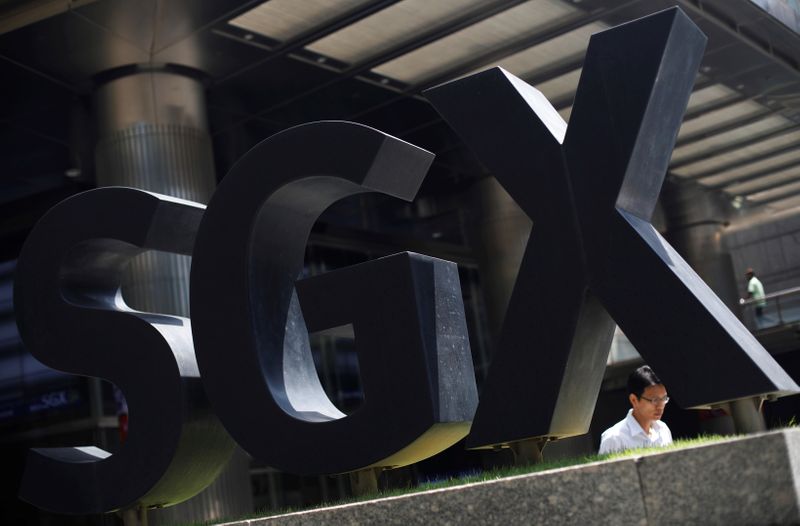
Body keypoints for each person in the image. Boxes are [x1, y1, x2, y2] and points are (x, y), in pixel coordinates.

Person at [599, 365, 673, 454]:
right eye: (655, 400)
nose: (660, 406)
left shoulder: (663, 430)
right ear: (634, 400)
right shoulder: (614, 438)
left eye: (664, 398)